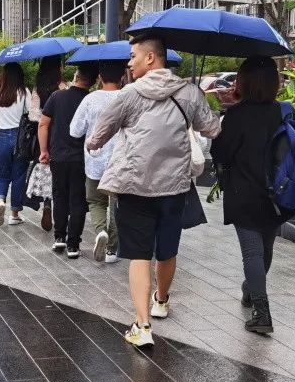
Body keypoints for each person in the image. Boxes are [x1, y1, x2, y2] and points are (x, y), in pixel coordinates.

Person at [88, 36, 220, 349]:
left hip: (134, 188)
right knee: (168, 249)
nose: (129, 63)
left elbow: (98, 135)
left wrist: (92, 145)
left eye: (133, 56)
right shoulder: (189, 92)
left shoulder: (128, 94)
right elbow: (212, 129)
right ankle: (161, 300)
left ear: (151, 58)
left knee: (138, 254)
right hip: (175, 188)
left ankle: (142, 325)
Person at [210, 56, 295, 335]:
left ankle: (262, 310)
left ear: (244, 82)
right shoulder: (284, 112)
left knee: (252, 251)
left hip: (243, 191)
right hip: (279, 193)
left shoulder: (236, 116)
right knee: (265, 248)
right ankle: (250, 290)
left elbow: (221, 154)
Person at [69, 59, 126, 263]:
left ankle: (100, 231)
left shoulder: (90, 99)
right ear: (122, 77)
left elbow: (75, 131)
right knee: (117, 204)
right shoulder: (128, 97)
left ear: (100, 77)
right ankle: (112, 249)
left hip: (95, 161)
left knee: (95, 201)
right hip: (121, 161)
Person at [39, 62, 96, 258]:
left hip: (58, 156)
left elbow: (43, 124)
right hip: (82, 158)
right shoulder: (91, 100)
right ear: (93, 82)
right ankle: (73, 245)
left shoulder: (57, 96)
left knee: (60, 196)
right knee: (78, 200)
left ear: (75, 77)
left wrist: (44, 150)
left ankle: (59, 238)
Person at [0, 62, 30, 226]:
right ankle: (14, 214)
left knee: (1, 175)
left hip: (1, 138)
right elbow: (30, 115)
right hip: (20, 138)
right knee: (18, 176)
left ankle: (1, 200)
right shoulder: (24, 92)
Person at [29, 56, 63, 231]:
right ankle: (59, 207)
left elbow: (33, 115)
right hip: (61, 135)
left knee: (45, 168)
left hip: (43, 134)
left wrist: (45, 115)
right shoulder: (63, 87)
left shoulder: (38, 89)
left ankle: (47, 203)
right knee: (60, 171)